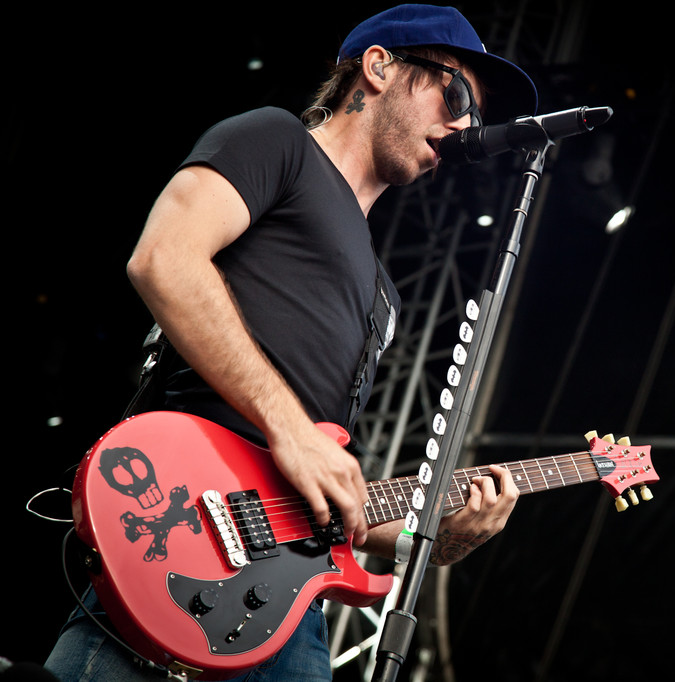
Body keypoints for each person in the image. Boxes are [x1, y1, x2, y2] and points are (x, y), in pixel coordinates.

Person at [45, 4, 538, 680]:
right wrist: (291, 428)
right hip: (179, 536)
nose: (463, 126)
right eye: (455, 95)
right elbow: (163, 259)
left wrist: (441, 539)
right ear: (378, 67)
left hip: (287, 613)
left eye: (474, 117)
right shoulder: (277, 141)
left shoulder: (383, 299)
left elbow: (334, 498)